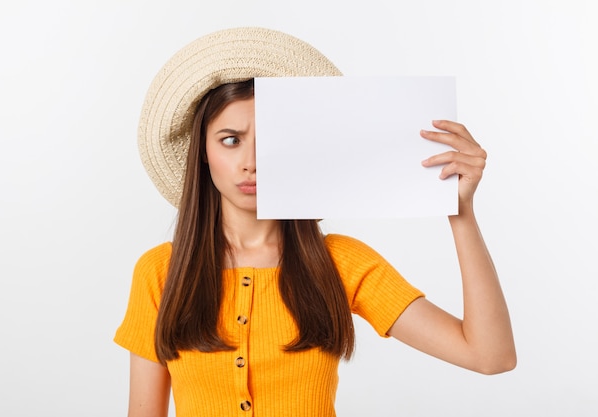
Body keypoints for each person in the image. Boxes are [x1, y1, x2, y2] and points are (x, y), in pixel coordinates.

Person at [114, 27, 516, 417]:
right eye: (231, 140)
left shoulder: (340, 263)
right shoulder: (161, 273)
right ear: (202, 152)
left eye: (268, 141)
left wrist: (460, 212)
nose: (251, 163)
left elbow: (489, 355)